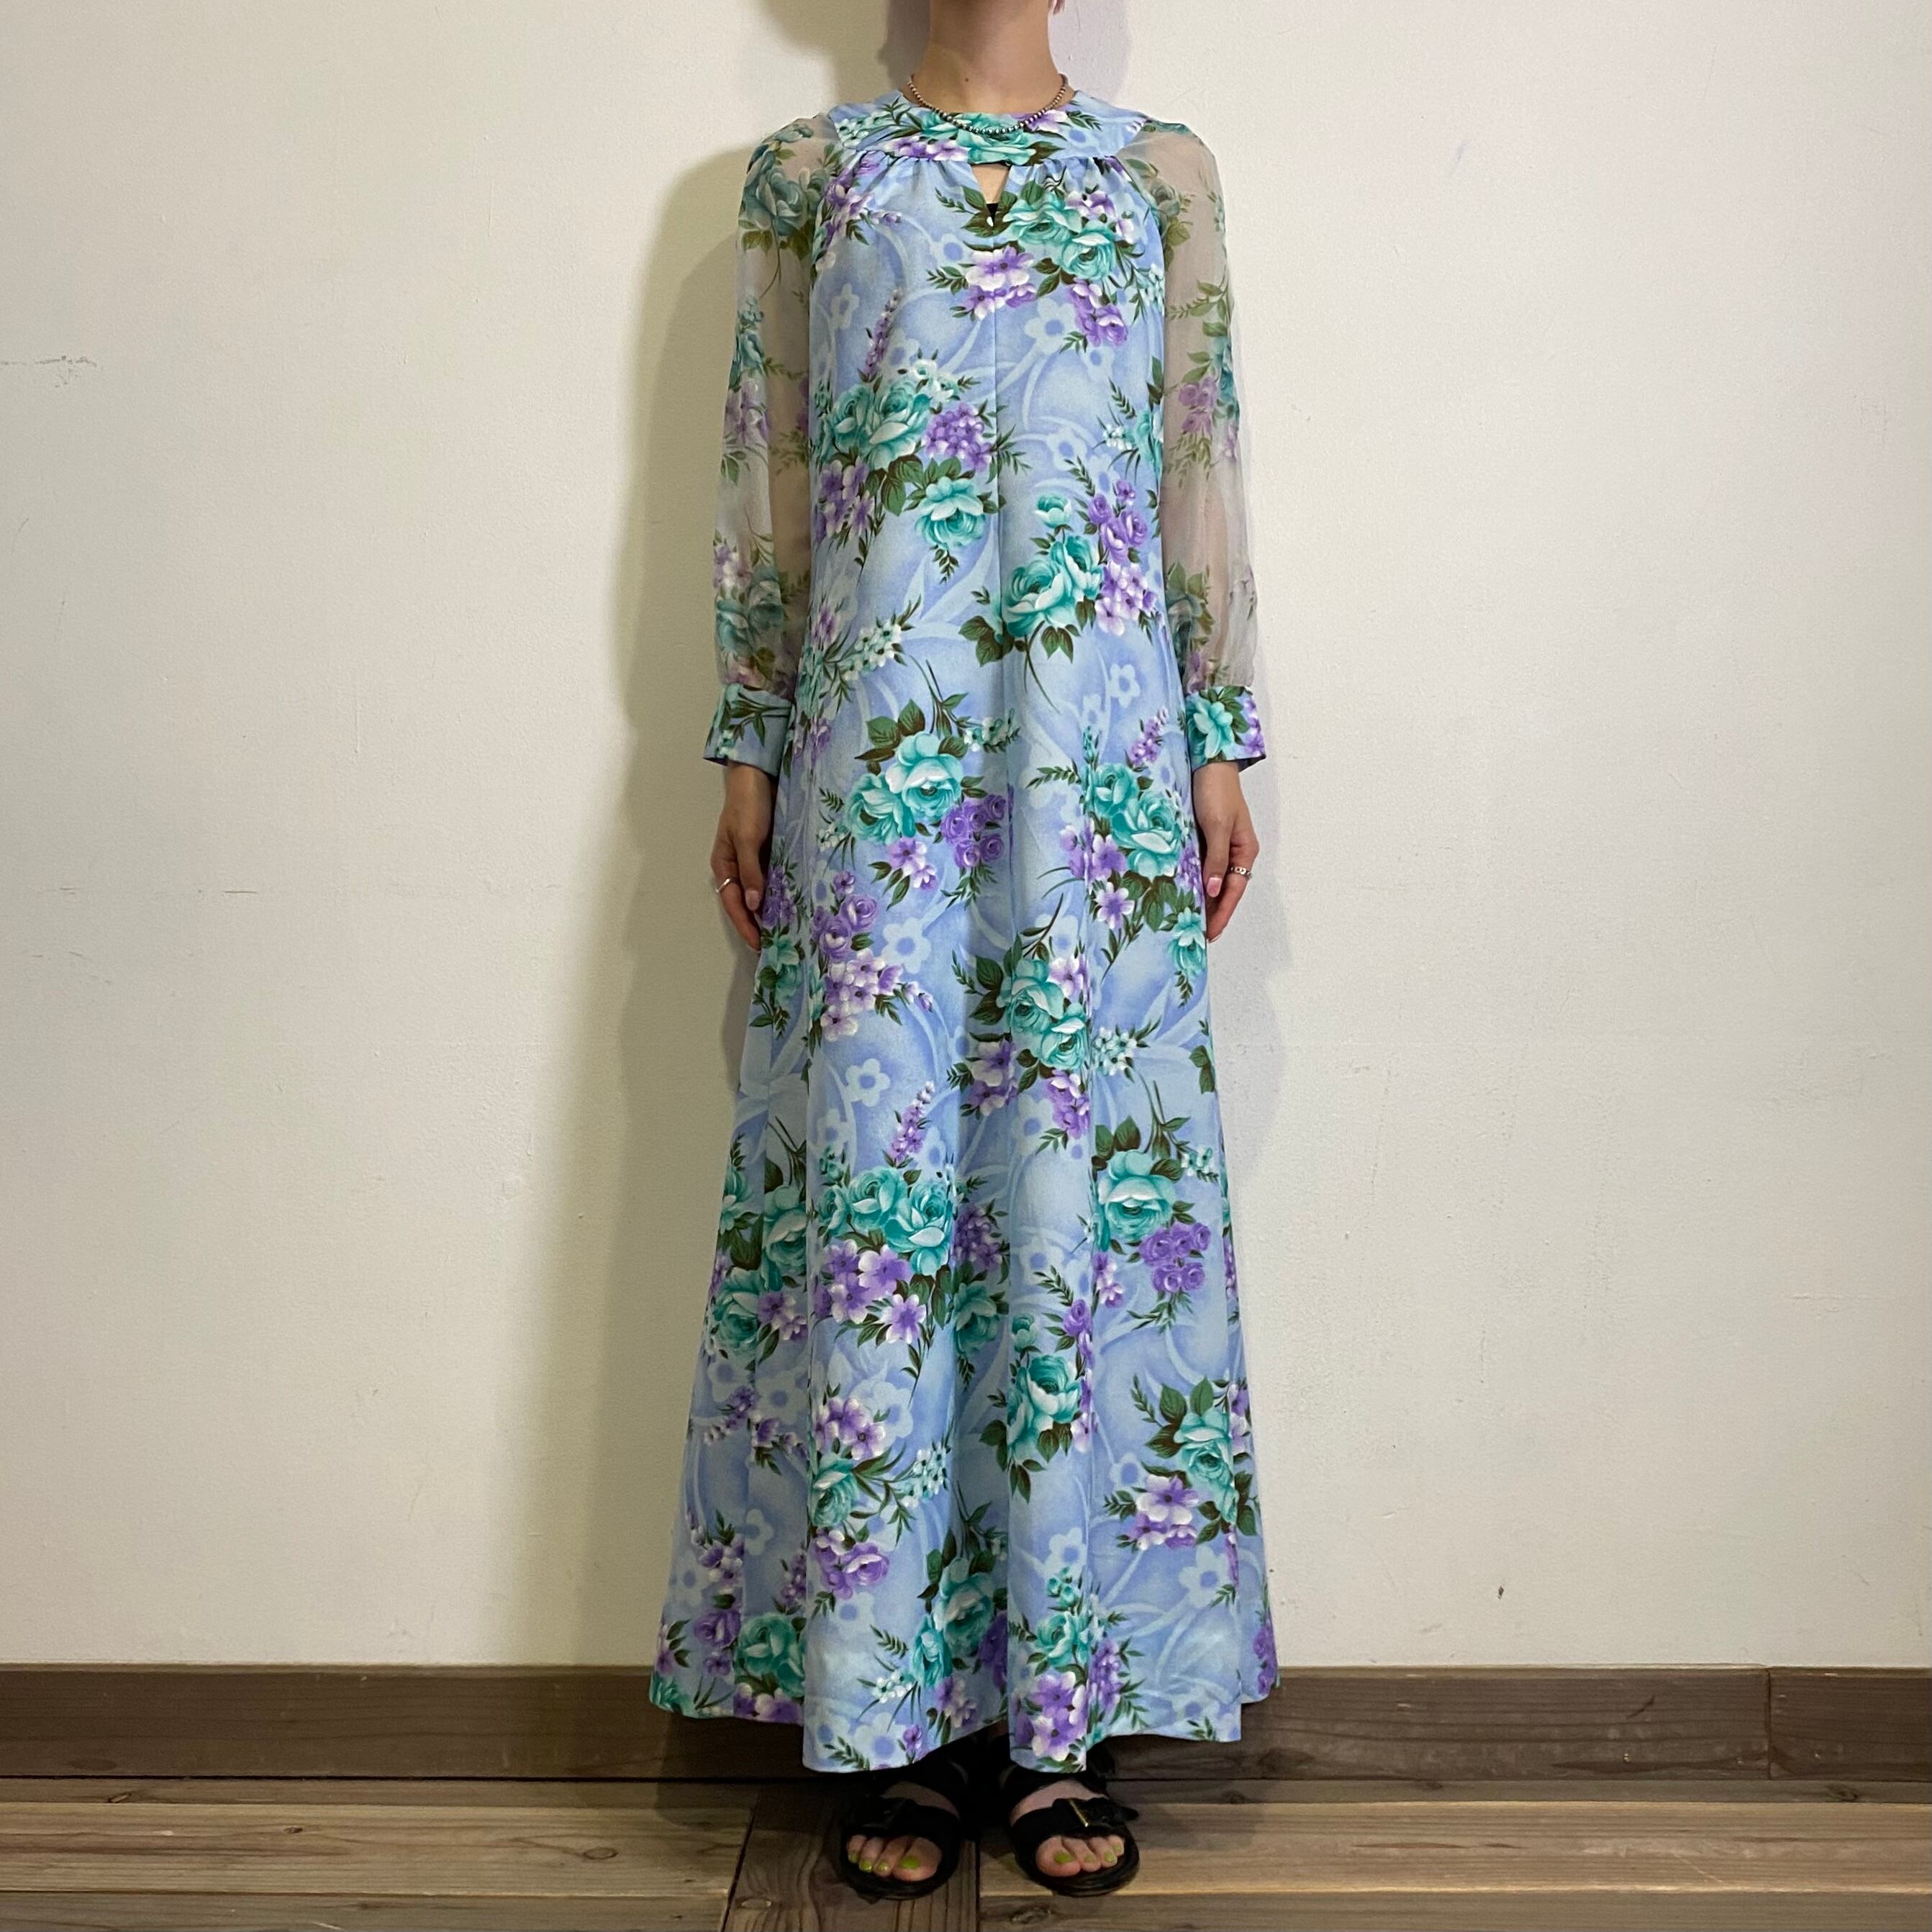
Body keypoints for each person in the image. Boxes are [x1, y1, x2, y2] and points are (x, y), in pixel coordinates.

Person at [648, 0, 1279, 1900]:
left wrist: (1219, 731)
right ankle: (899, 1721)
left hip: (1099, 767)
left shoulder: (1159, 176)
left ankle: (1062, 1724)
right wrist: (751, 743)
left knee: (1072, 1205)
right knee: (890, 1203)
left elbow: (1197, 458)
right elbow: (767, 477)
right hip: (881, 770)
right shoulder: (811, 180)